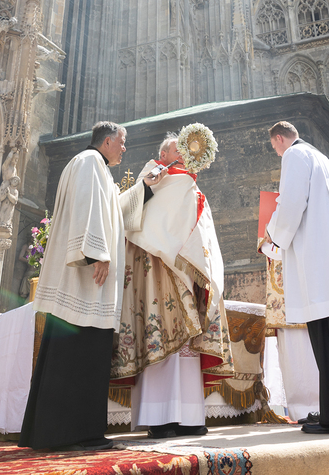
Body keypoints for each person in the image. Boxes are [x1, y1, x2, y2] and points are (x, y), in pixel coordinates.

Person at [19, 121, 165, 452]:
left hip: (87, 281)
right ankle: (76, 434)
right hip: (85, 279)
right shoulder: (88, 163)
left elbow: (115, 212)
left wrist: (144, 186)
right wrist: (97, 253)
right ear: (108, 141)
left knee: (77, 356)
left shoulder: (96, 167)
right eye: (122, 142)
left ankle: (62, 433)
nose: (124, 148)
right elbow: (86, 208)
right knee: (79, 357)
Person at [113, 131, 233, 438]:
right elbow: (128, 220)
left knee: (187, 346)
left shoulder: (192, 188)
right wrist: (149, 186)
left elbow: (203, 235)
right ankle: (160, 418)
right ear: (162, 156)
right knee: (160, 338)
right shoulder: (151, 180)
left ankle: (190, 417)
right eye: (174, 150)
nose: (181, 153)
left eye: (183, 149)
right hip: (157, 276)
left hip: (186, 274)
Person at [264, 121, 329, 435]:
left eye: (274, 146)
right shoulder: (320, 157)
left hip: (320, 271)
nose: (277, 152)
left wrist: (271, 235)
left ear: (280, 139)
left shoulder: (294, 156)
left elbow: (291, 203)